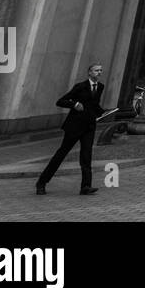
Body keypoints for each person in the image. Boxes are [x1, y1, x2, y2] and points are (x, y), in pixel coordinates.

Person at [36, 61, 107, 195]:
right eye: (96, 70)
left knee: (86, 156)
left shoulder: (100, 87)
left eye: (101, 70)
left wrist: (104, 112)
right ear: (90, 73)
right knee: (61, 155)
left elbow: (93, 105)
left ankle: (85, 186)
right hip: (74, 126)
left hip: (89, 127)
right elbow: (61, 101)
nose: (99, 73)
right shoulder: (80, 87)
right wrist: (74, 104)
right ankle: (41, 182)